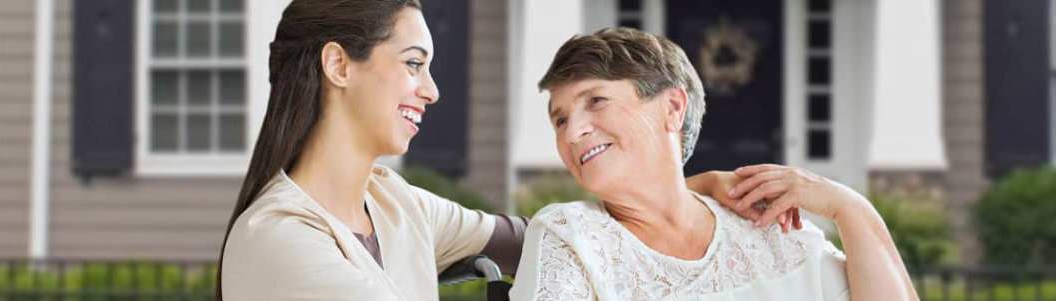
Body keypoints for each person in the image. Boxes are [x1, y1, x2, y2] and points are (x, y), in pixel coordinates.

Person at [217, 2, 744, 300]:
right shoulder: (277, 240)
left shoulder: (396, 206)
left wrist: (685, 190)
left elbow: (546, 236)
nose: (432, 89)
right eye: (413, 63)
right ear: (338, 66)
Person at [510, 27, 917, 300]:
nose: (571, 132)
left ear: (672, 107)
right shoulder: (572, 236)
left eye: (596, 101)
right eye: (559, 119)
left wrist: (848, 208)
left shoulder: (770, 232)